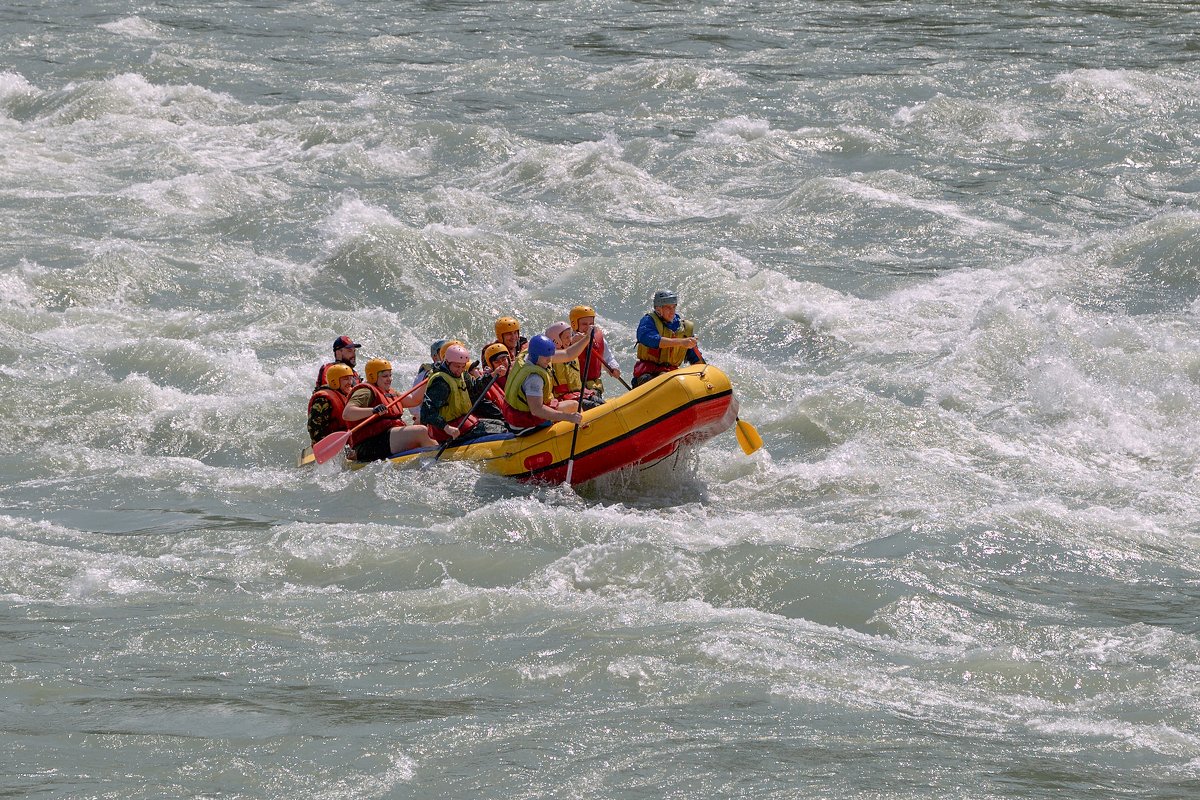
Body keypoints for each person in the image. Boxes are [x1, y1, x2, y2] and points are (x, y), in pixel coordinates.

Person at [342, 358, 435, 461]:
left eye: (390, 375)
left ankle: (433, 449)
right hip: (369, 445)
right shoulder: (365, 391)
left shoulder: (390, 392)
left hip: (386, 438)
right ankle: (436, 455)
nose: (389, 379)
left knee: (422, 423)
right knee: (420, 431)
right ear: (373, 376)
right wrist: (373, 410)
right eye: (385, 376)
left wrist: (427, 379)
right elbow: (347, 413)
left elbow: (414, 400)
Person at [419, 344, 506, 444]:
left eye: (463, 366)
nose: (460, 370)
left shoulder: (462, 374)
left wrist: (493, 374)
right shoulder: (440, 382)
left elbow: (475, 388)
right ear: (447, 362)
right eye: (457, 366)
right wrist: (447, 428)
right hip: (448, 430)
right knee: (502, 430)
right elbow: (427, 412)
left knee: (502, 424)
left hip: (463, 422)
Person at [503, 334, 583, 430]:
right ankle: (584, 428)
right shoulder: (534, 378)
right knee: (573, 406)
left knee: (570, 405)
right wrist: (568, 417)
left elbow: (568, 354)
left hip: (514, 415)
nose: (550, 360)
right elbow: (537, 410)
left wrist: (587, 338)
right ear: (537, 356)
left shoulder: (528, 356)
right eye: (547, 357)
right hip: (524, 424)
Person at [632, 290, 703, 387]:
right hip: (647, 374)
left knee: (672, 379)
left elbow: (696, 359)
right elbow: (650, 339)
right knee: (658, 379)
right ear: (658, 309)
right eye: (668, 308)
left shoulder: (683, 329)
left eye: (674, 307)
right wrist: (681, 342)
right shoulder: (648, 321)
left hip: (671, 375)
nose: (672, 311)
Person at [544, 321, 603, 409]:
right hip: (563, 399)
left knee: (602, 403)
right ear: (556, 340)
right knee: (596, 406)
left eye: (570, 336)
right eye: (566, 337)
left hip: (578, 394)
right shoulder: (549, 359)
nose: (570, 340)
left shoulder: (572, 353)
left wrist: (586, 338)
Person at [570, 305, 621, 398]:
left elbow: (608, 357)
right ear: (574, 324)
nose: (588, 327)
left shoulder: (597, 337)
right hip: (575, 386)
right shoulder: (568, 340)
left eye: (591, 324)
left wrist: (613, 367)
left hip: (593, 384)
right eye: (584, 324)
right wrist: (572, 343)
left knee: (595, 394)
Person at [307, 363, 355, 444]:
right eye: (346, 379)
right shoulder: (323, 400)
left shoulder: (348, 394)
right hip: (331, 442)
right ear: (334, 381)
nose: (350, 382)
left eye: (351, 378)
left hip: (347, 440)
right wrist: (322, 444)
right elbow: (314, 427)